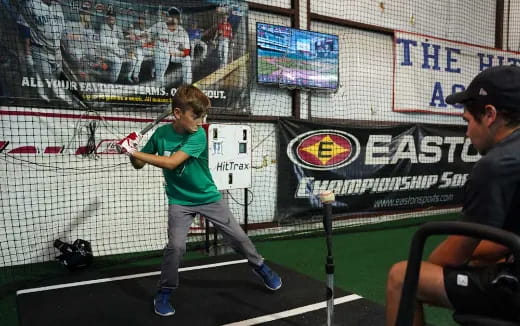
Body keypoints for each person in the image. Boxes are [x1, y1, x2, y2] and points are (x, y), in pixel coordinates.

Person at [116, 85, 282, 317]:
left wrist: (132, 151)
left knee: (239, 238)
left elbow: (172, 163)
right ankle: (164, 292)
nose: (200, 121)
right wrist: (131, 152)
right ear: (177, 114)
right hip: (179, 201)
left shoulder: (199, 135)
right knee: (176, 247)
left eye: (202, 116)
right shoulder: (161, 135)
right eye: (196, 116)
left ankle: (260, 266)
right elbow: (139, 165)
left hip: (208, 197)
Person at [385, 65, 520, 326]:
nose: (467, 132)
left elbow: (452, 256)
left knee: (403, 278)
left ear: (490, 115)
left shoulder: (497, 164)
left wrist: (438, 266)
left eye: (468, 121)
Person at [20, 0, 67, 102]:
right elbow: (25, 28)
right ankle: (45, 103)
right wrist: (28, 52)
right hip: (39, 49)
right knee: (47, 78)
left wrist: (62, 48)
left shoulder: (58, 6)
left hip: (56, 51)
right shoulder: (31, 3)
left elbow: (62, 30)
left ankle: (58, 102)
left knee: (59, 78)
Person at [148, 8, 192, 86]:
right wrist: (149, 38)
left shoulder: (182, 32)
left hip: (174, 53)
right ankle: (159, 85)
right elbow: (148, 33)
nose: (173, 19)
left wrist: (178, 52)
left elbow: (187, 52)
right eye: (171, 16)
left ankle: (187, 85)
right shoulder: (160, 25)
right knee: (160, 72)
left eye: (175, 17)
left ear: (178, 19)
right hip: (161, 52)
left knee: (187, 59)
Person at [99, 10, 125, 83]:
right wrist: (115, 41)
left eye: (113, 18)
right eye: (110, 18)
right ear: (107, 18)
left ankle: (122, 77)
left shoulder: (118, 28)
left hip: (116, 50)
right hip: (106, 51)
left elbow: (122, 39)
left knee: (129, 58)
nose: (111, 19)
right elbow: (103, 41)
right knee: (118, 61)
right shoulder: (103, 27)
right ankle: (112, 81)